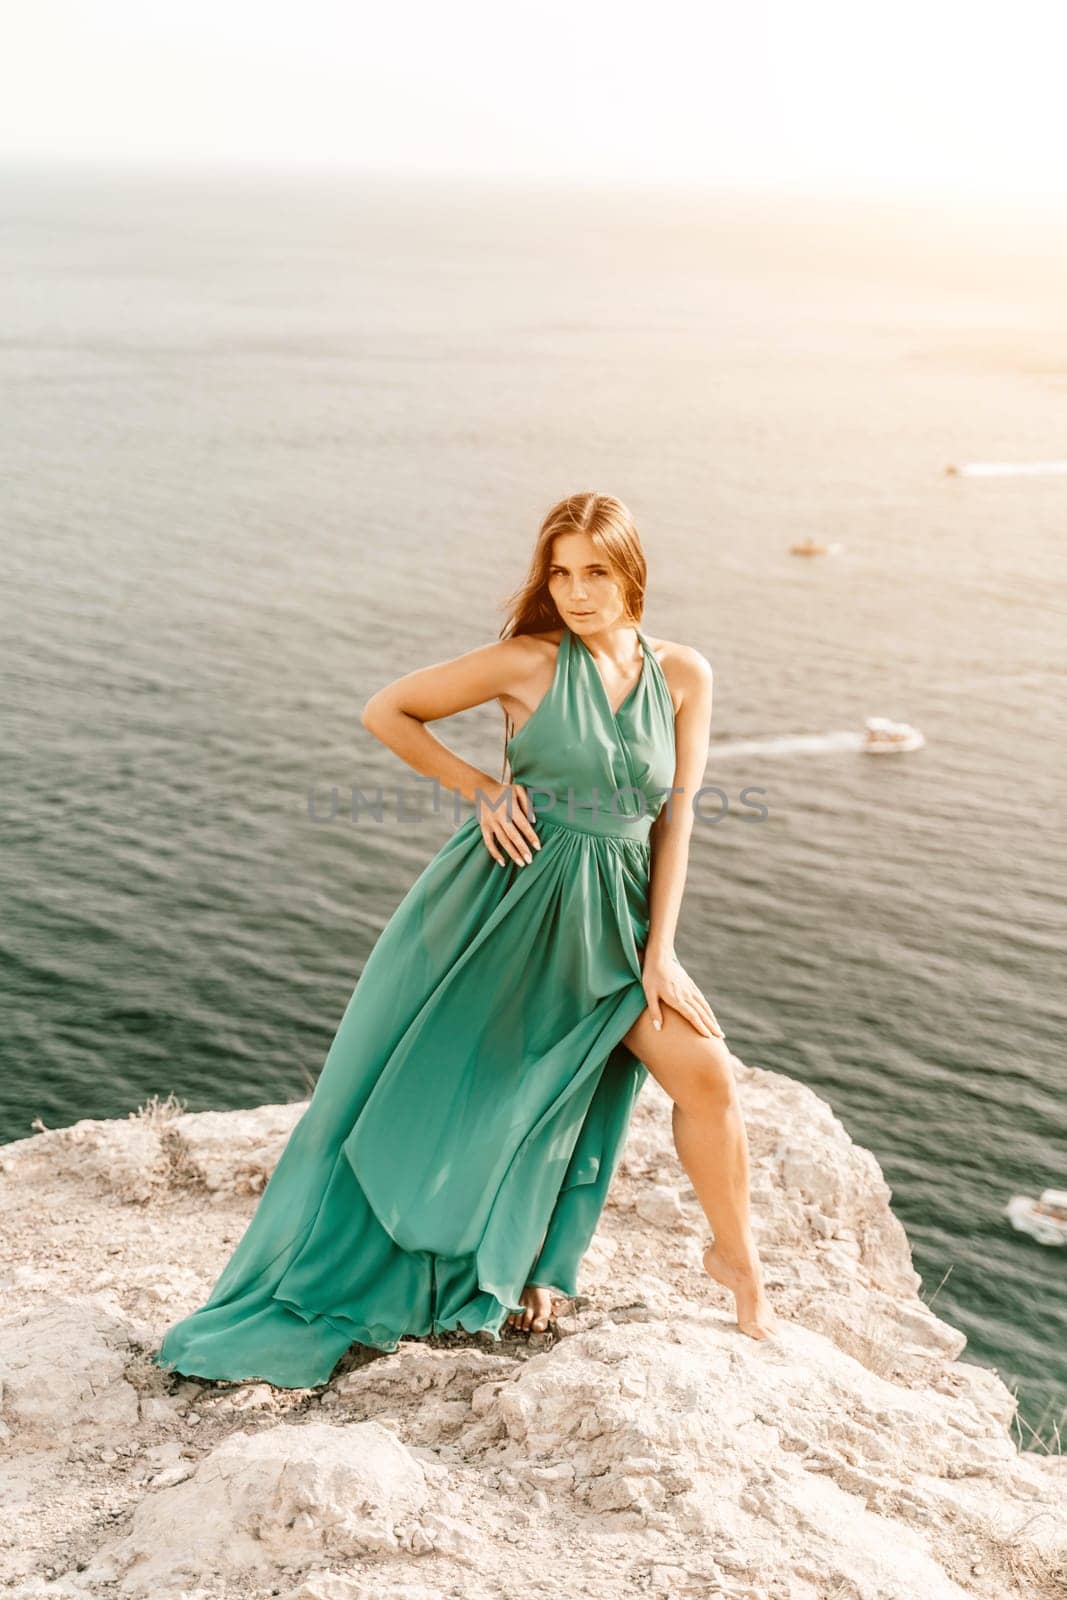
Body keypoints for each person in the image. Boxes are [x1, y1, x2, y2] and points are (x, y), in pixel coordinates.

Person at [152, 492, 777, 1391]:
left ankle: (737, 1264)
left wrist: (661, 948)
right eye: (559, 573)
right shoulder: (525, 662)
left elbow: (674, 818)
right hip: (507, 910)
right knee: (472, 1098)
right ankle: (473, 1267)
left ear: (631, 573)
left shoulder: (684, 674)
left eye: (595, 572)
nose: (575, 591)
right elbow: (389, 709)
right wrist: (478, 785)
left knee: (707, 1076)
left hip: (621, 915)